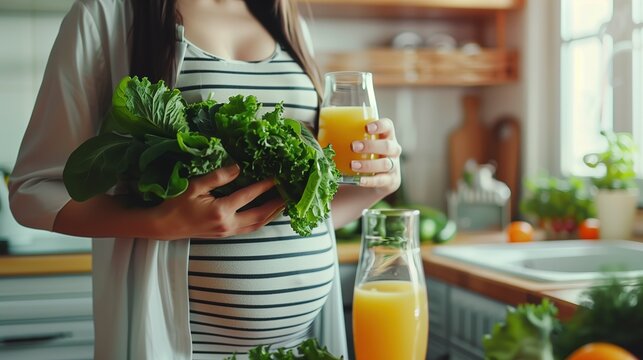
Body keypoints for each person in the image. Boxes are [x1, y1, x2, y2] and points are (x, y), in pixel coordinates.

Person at [8, 0, 402, 359]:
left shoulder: (285, 18)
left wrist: (377, 187)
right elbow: (32, 192)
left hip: (299, 345)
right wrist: (163, 221)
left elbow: (289, 214)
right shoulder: (106, 14)